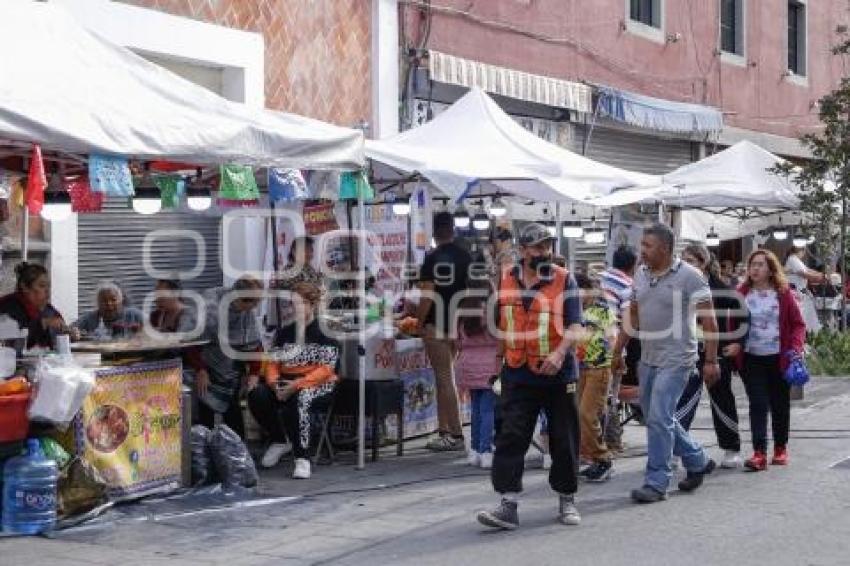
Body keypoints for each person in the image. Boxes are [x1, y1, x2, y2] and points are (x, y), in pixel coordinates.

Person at [476, 223, 582, 530]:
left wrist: (560, 353)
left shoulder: (565, 280)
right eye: (537, 248)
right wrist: (497, 365)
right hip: (517, 371)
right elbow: (502, 326)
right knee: (511, 436)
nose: (544, 252)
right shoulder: (507, 279)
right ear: (523, 251)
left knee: (563, 439)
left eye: (547, 246)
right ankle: (508, 504)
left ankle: (566, 499)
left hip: (558, 374)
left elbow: (576, 326)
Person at [611, 223, 718, 504]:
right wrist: (618, 350)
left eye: (647, 246)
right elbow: (632, 316)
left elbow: (709, 320)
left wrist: (711, 361)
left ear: (666, 249)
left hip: (677, 359)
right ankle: (697, 459)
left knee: (658, 417)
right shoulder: (641, 275)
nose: (641, 251)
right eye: (641, 245)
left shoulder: (691, 277)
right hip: (648, 359)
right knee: (656, 417)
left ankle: (656, 481)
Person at [248, 282, 339, 479]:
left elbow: (326, 369)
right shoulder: (285, 332)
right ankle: (280, 440)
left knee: (302, 398)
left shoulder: (325, 332)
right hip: (285, 382)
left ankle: (302, 457)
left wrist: (297, 385)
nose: (296, 308)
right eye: (293, 304)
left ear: (312, 305)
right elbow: (272, 362)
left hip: (318, 384)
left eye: (302, 303)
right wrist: (273, 383)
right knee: (257, 394)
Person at [732, 250, 806, 471]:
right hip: (751, 358)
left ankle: (781, 448)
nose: (755, 269)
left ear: (771, 269)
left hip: (779, 358)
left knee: (780, 404)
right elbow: (731, 324)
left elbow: (798, 325)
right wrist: (735, 344)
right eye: (752, 264)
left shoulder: (783, 293)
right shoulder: (741, 293)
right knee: (758, 403)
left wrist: (795, 348)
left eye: (760, 265)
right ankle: (759, 453)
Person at [679, 245, 746, 469]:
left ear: (703, 263)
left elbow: (744, 314)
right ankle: (675, 448)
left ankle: (731, 448)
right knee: (683, 400)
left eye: (692, 261)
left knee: (721, 400)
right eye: (683, 260)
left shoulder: (720, 288)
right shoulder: (677, 286)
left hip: (716, 353)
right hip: (687, 352)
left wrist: (738, 342)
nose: (687, 265)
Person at [416, 211, 472, 451]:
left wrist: (418, 322)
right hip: (458, 324)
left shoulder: (432, 258)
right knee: (445, 380)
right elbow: (472, 293)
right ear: (452, 229)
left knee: (444, 379)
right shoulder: (466, 256)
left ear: (434, 231)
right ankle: (445, 431)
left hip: (436, 324)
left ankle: (456, 434)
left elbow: (427, 295)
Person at [196, 276, 264, 438]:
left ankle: (236, 455)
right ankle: (204, 455)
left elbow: (255, 344)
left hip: (232, 369)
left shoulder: (247, 313)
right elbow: (193, 342)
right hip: (207, 364)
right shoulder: (211, 307)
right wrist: (200, 369)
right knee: (205, 416)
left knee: (233, 416)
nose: (255, 307)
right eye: (252, 302)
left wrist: (254, 373)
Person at [574, 273, 617, 482]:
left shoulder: (602, 310)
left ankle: (603, 458)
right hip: (579, 369)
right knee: (579, 414)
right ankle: (591, 458)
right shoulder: (575, 309)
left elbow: (611, 337)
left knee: (587, 414)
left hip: (598, 367)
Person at [457, 277, 501, 470]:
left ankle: (474, 450)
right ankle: (486, 451)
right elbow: (502, 339)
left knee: (475, 410)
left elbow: (456, 340)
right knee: (488, 410)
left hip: (467, 364)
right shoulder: (494, 313)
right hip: (491, 365)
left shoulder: (462, 313)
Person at [599, 245, 637, 452]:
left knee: (593, 396)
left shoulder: (599, 278)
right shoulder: (628, 286)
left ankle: (595, 442)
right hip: (612, 346)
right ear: (633, 265)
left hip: (588, 346)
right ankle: (609, 442)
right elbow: (629, 324)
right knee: (610, 396)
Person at [149, 278, 208, 389]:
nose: (157, 299)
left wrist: (201, 370)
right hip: (160, 371)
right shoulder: (155, 316)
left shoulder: (189, 315)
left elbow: (190, 347)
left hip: (186, 372)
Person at [0, 262, 75, 348]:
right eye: (42, 286)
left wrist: (69, 334)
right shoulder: (9, 306)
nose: (47, 290)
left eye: (48, 286)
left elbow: (57, 337)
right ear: (25, 287)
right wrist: (43, 323)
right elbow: (12, 341)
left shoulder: (48, 309)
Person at [73, 281, 144, 340]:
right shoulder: (90, 318)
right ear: (98, 303)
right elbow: (70, 330)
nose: (109, 304)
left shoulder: (134, 315)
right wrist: (73, 332)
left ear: (121, 300)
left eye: (113, 300)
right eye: (104, 301)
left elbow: (152, 329)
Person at [784, 246, 824, 333]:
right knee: (801, 317)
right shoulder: (792, 259)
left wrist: (821, 274)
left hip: (801, 293)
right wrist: (821, 277)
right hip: (796, 293)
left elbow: (808, 270)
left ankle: (809, 334)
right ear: (801, 250)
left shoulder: (797, 261)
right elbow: (804, 274)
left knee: (809, 318)